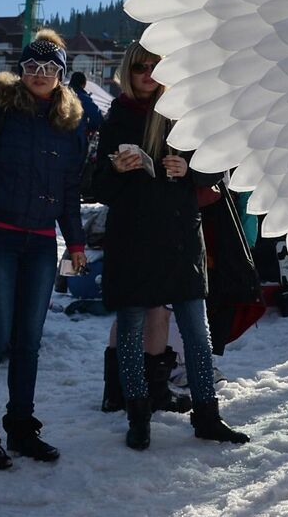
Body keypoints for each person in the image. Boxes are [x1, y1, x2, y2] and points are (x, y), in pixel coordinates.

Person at [95, 43, 250, 450]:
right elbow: (92, 187)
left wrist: (189, 169)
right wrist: (115, 168)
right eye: (140, 66)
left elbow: (221, 164)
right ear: (128, 71)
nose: (148, 73)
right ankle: (138, 415)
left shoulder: (185, 112)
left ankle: (208, 415)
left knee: (198, 335)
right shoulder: (116, 118)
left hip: (180, 240)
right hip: (131, 241)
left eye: (156, 66)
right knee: (130, 330)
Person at [0, 30, 89, 468]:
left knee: (29, 341)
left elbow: (69, 190)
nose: (40, 75)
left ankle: (22, 427)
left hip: (41, 243)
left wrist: (77, 241)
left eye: (50, 69)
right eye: (32, 67)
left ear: (62, 76)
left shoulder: (68, 125)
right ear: (20, 70)